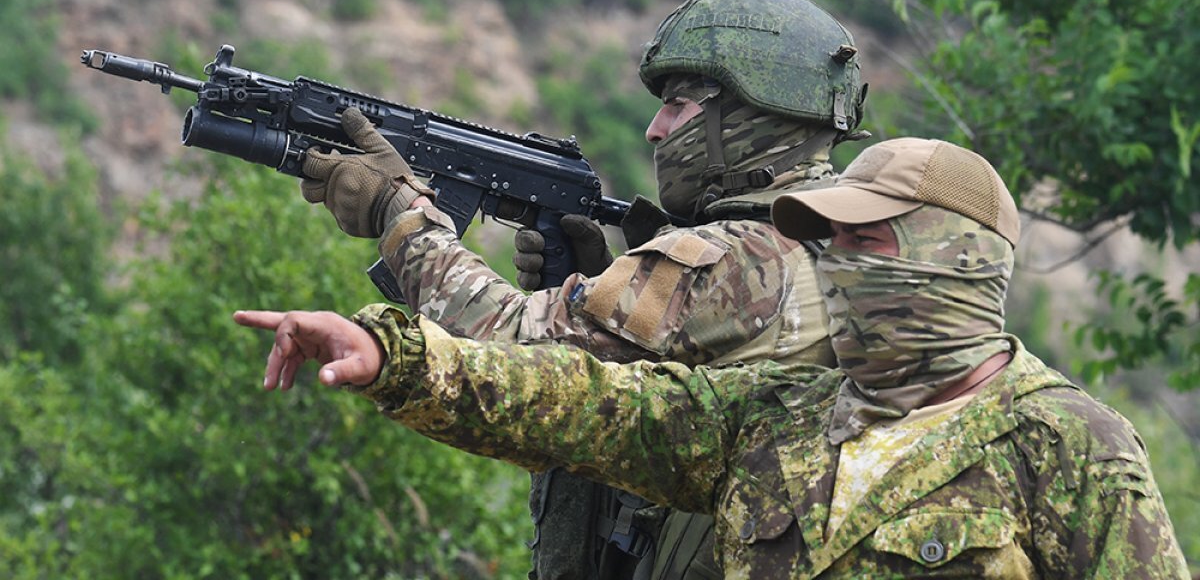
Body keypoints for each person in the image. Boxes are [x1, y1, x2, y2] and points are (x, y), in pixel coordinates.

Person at [237, 137, 1190, 578]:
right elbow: (576, 400)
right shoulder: (777, 412)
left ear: (957, 258)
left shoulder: (1068, 447)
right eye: (827, 240)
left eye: (864, 242)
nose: (833, 264)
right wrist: (396, 355)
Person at [292, 0, 868, 579]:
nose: (654, 129)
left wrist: (403, 214)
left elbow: (512, 357)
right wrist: (597, 288)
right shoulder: (846, 236)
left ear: (751, 113)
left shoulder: (734, 255)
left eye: (679, 105)